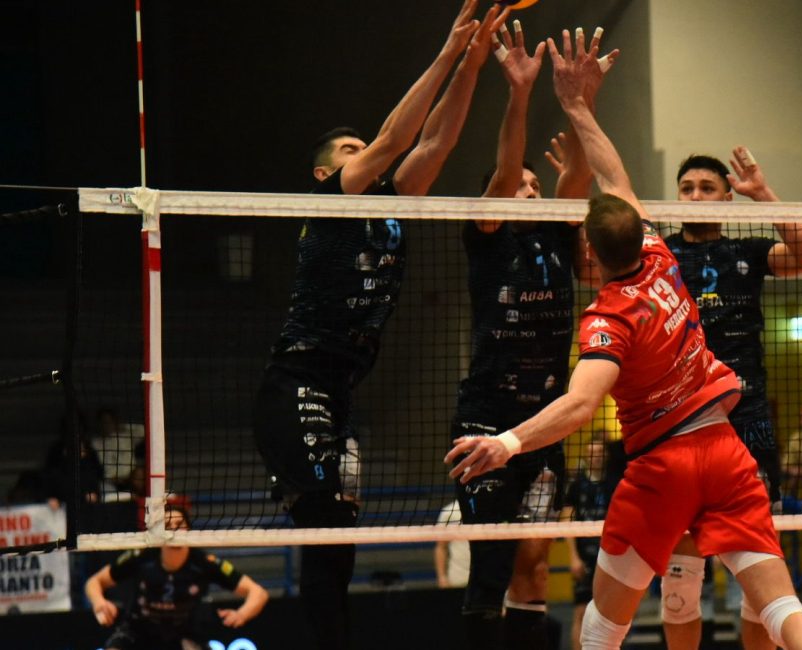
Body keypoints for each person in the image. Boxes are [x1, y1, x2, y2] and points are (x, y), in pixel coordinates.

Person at [447, 27, 802, 650]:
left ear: (591, 254)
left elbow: (579, 405)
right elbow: (614, 177)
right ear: (642, 230)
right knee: (781, 605)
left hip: (662, 467)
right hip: (724, 450)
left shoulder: (608, 319)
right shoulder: (661, 255)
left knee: (605, 622)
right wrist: (578, 104)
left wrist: (507, 442)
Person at [252, 3, 507, 648]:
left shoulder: (391, 201)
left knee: (340, 540)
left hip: (341, 393)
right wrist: (449, 50)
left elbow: (436, 143)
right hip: (296, 381)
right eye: (350, 151)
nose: (364, 153)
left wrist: (474, 64)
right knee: (324, 525)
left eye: (362, 148)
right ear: (326, 173)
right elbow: (395, 140)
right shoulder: (329, 200)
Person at [451, 18, 598, 650]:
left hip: (545, 421)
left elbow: (579, 178)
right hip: (486, 414)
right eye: (521, 186)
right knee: (490, 562)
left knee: (535, 564)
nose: (531, 190)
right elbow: (507, 168)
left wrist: (582, 101)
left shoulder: (559, 236)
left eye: (538, 185)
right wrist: (518, 93)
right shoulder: (487, 240)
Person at [660, 149, 802, 649]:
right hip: (680, 421)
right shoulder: (659, 254)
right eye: (687, 188)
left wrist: (763, 193)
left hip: (746, 418)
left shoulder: (747, 252)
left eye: (707, 188)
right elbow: (594, 267)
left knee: (758, 572)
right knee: (680, 582)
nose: (695, 196)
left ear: (727, 197)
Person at [85, 506, 269, 650]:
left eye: (179, 524)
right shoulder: (141, 556)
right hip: (138, 629)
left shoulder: (204, 562)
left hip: (184, 633)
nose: (173, 530)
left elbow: (258, 593)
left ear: (188, 529)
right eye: (167, 526)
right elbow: (94, 582)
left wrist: (241, 614)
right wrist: (99, 601)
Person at [562, 438, 617, 650]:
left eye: (600, 452)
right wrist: (573, 557)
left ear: (606, 455)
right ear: (586, 455)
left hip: (609, 555)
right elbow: (566, 520)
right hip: (584, 556)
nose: (596, 456)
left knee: (611, 615)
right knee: (581, 612)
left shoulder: (614, 483)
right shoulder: (577, 485)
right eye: (592, 452)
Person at [435, 499, 471, 589]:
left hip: (485, 579)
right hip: (458, 579)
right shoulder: (449, 512)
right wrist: (442, 577)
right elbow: (441, 547)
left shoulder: (488, 511)